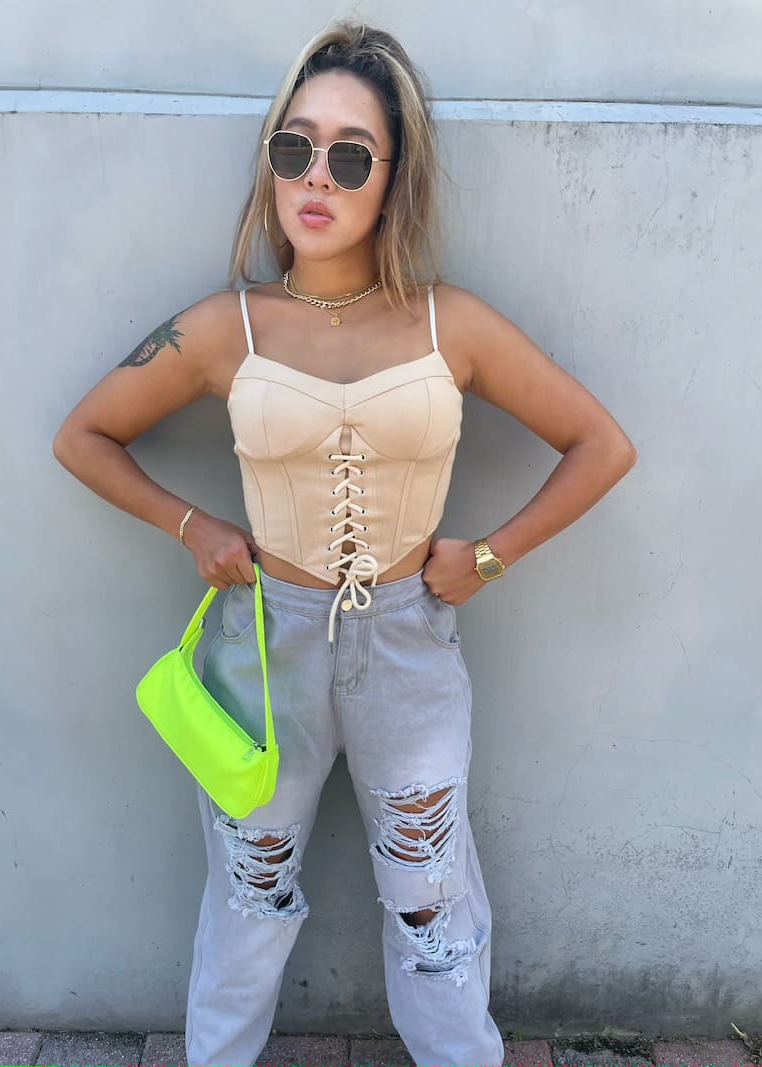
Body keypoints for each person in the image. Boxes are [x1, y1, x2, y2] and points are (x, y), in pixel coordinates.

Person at [53, 18, 637, 1067]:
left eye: (351, 154)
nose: (316, 175)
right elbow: (83, 436)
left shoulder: (449, 324)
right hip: (262, 650)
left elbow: (602, 444)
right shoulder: (224, 328)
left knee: (430, 900)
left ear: (393, 178)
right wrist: (191, 524)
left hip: (409, 643)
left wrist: (488, 556)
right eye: (295, 147)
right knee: (251, 889)